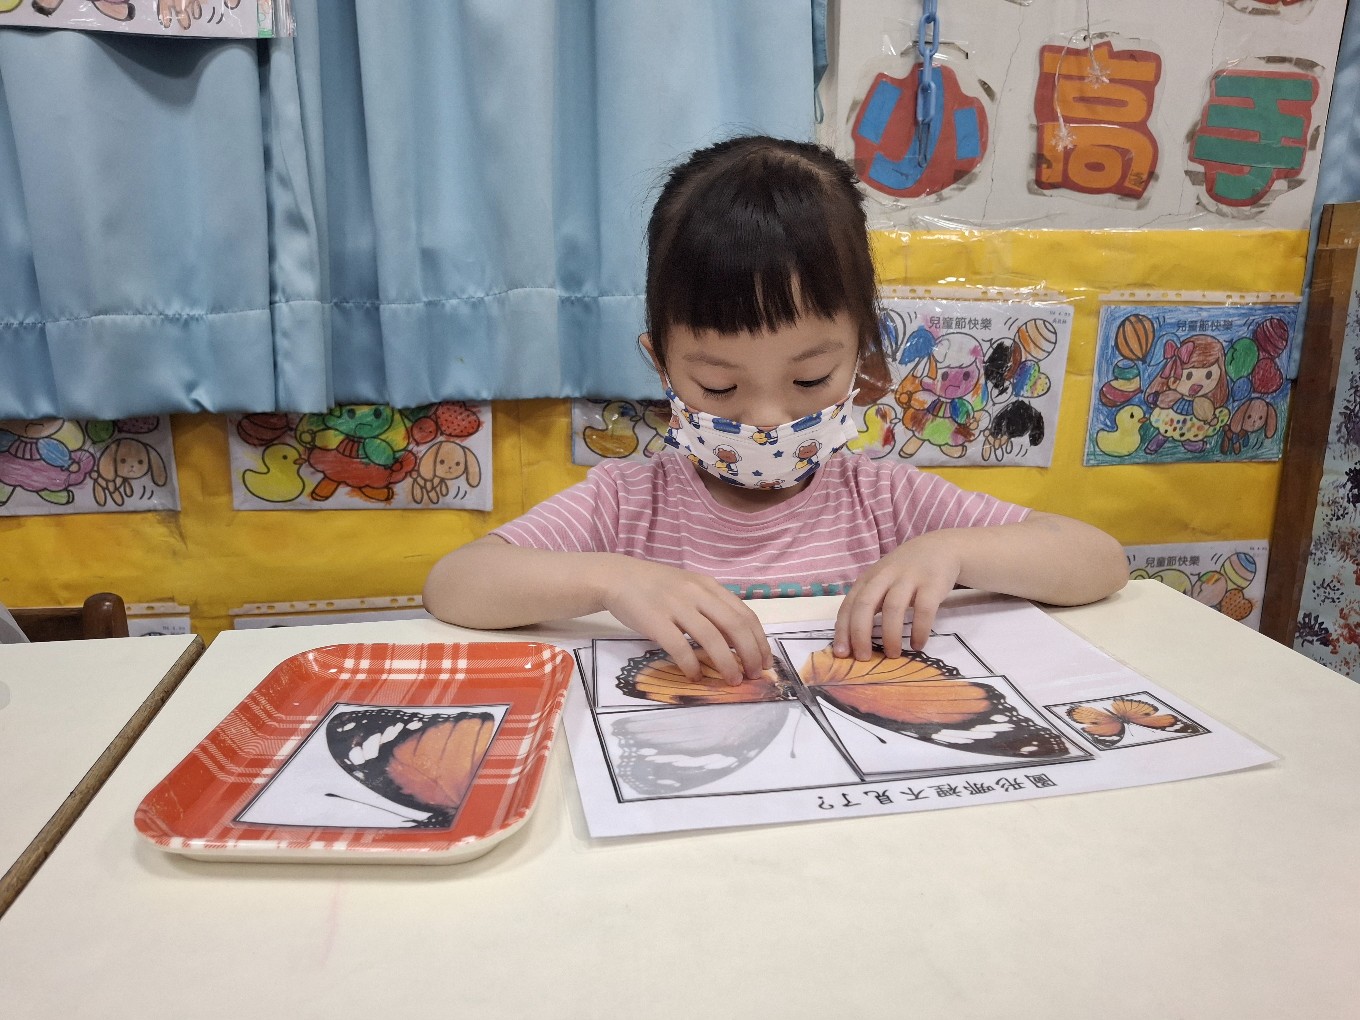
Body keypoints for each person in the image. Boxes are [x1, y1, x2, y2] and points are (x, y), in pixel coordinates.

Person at [424, 136, 1127, 685]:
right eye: (718, 387)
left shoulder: (884, 500)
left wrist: (952, 550)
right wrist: (610, 579)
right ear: (661, 365)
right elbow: (456, 583)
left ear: (862, 358)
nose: (765, 418)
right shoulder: (628, 503)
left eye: (810, 378)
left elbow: (1097, 561)